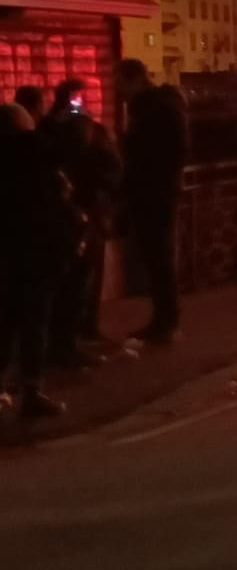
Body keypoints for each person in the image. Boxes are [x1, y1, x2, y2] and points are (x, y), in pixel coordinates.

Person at [0, 103, 74, 419]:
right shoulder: (40, 155)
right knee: (34, 324)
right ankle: (31, 390)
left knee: (4, 324)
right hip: (36, 253)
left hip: (5, 253)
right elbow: (61, 193)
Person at [39, 78, 118, 367]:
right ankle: (68, 343)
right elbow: (109, 168)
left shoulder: (50, 130)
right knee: (76, 282)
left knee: (74, 282)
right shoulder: (80, 133)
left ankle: (71, 338)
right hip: (82, 215)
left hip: (71, 215)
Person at [116, 59, 187, 343]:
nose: (117, 87)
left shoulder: (150, 109)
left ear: (133, 79)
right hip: (158, 190)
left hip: (153, 192)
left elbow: (150, 151)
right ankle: (165, 319)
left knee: (159, 257)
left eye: (119, 80)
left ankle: (166, 322)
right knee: (159, 258)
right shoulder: (157, 106)